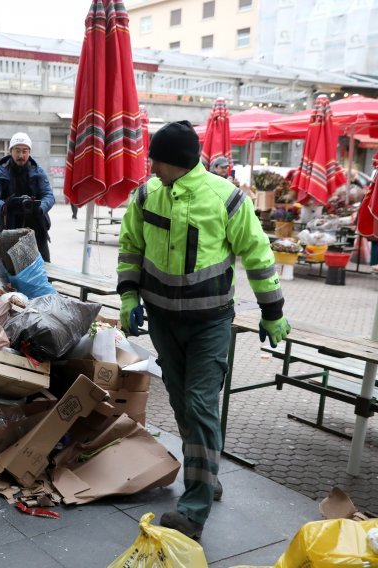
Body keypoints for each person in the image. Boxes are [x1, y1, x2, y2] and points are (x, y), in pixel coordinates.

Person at [116, 121, 290, 539]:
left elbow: (258, 254)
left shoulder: (226, 199)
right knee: (180, 401)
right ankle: (206, 474)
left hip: (210, 323)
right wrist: (128, 297)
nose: (151, 165)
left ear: (174, 160)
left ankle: (193, 508)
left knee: (199, 403)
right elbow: (130, 247)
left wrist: (272, 310)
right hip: (162, 321)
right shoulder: (146, 196)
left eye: (156, 158)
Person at [0, 132, 55, 260]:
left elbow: (49, 195)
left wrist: (40, 208)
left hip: (37, 231)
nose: (21, 155)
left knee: (43, 271)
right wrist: (6, 206)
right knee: (11, 273)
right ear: (10, 151)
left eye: (25, 151)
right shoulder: (0, 173)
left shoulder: (38, 172)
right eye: (17, 150)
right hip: (9, 231)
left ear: (29, 152)